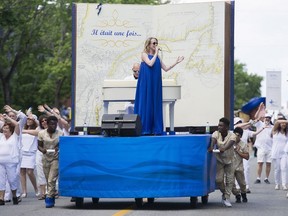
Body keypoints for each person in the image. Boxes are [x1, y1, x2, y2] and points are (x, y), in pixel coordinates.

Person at [134, 37, 184, 135]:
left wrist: (176, 62)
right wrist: (156, 53)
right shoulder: (144, 55)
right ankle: (145, 129)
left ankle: (155, 129)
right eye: (154, 43)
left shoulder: (157, 57)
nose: (156, 45)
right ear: (148, 45)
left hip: (155, 83)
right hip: (147, 83)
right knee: (146, 103)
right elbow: (150, 64)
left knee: (155, 104)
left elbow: (165, 68)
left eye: (156, 43)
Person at [209, 117, 237, 207]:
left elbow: (231, 143)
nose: (219, 127)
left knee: (230, 180)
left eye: (221, 126)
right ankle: (225, 193)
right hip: (219, 160)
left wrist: (224, 148)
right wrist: (212, 146)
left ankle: (227, 198)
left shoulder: (232, 135)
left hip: (230, 160)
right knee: (218, 180)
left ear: (226, 127)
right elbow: (213, 140)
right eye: (219, 125)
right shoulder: (216, 133)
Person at [38, 116, 63, 208]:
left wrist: (58, 148)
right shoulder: (41, 133)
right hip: (46, 157)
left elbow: (62, 145)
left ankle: (48, 197)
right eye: (52, 124)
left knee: (51, 179)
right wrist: (43, 150)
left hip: (55, 158)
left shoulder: (60, 133)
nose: (54, 126)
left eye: (55, 124)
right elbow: (39, 146)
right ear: (47, 124)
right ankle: (51, 196)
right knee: (47, 177)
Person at [0, 114, 20, 205]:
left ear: (11, 130)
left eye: (7, 128)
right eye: (4, 128)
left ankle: (15, 196)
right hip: (1, 161)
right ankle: (1, 198)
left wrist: (8, 118)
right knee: (1, 180)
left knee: (12, 180)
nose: (4, 129)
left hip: (11, 162)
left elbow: (17, 125)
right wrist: (2, 119)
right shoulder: (1, 136)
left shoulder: (15, 136)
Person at [20, 114, 39, 198]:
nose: (28, 120)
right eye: (27, 119)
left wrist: (24, 131)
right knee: (22, 171)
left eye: (31, 119)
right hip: (22, 152)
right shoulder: (22, 127)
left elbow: (37, 132)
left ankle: (36, 189)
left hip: (31, 152)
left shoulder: (37, 128)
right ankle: (24, 191)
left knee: (30, 172)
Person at [253, 114, 273, 185]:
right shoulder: (260, 124)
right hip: (261, 147)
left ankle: (266, 178)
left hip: (270, 148)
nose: (267, 119)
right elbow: (255, 118)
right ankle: (258, 178)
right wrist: (260, 109)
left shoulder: (272, 127)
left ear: (270, 119)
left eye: (269, 118)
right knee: (260, 163)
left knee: (268, 163)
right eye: (266, 117)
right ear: (264, 118)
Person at [231, 127, 249, 203]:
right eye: (235, 135)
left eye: (238, 135)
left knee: (242, 183)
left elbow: (247, 157)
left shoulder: (243, 145)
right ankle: (237, 195)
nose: (236, 137)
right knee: (229, 183)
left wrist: (239, 152)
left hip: (239, 167)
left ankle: (243, 194)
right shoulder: (230, 143)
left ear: (241, 136)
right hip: (230, 166)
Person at [271, 116, 288, 191]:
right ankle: (277, 183)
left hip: (284, 153)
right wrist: (284, 121)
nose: (283, 124)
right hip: (276, 153)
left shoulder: (286, 133)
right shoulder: (275, 131)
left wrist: (284, 122)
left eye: (285, 123)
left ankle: (284, 184)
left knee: (284, 168)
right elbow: (277, 122)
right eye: (282, 123)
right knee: (277, 169)